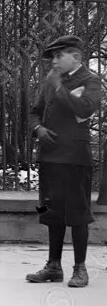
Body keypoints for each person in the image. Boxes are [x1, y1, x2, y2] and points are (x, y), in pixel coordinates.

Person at [25, 35, 102, 288]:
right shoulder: (50, 82)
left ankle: (80, 269)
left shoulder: (91, 80)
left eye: (60, 56)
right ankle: (53, 266)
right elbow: (34, 112)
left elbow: (85, 109)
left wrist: (59, 88)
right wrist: (38, 130)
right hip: (50, 157)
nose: (55, 62)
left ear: (76, 57)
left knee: (78, 214)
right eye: (53, 57)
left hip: (75, 159)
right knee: (51, 213)